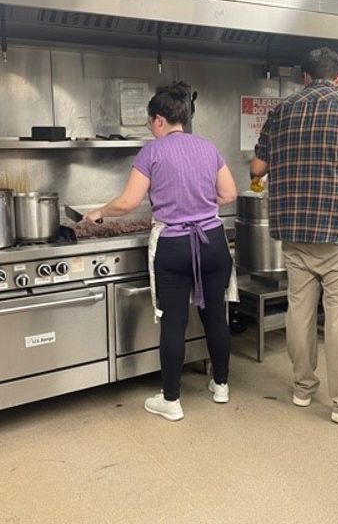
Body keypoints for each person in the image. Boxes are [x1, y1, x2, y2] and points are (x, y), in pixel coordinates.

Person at [250, 47, 338, 425]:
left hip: (295, 232)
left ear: (306, 77)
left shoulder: (281, 111)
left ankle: (302, 388)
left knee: (299, 311)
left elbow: (257, 166)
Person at [84, 81, 237, 422]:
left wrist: (98, 213)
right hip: (213, 242)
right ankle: (221, 386)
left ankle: (171, 401)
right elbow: (229, 194)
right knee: (216, 315)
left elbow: (128, 202)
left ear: (157, 120)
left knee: (173, 322)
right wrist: (198, 205)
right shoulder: (208, 147)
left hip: (175, 245)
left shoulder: (152, 152)